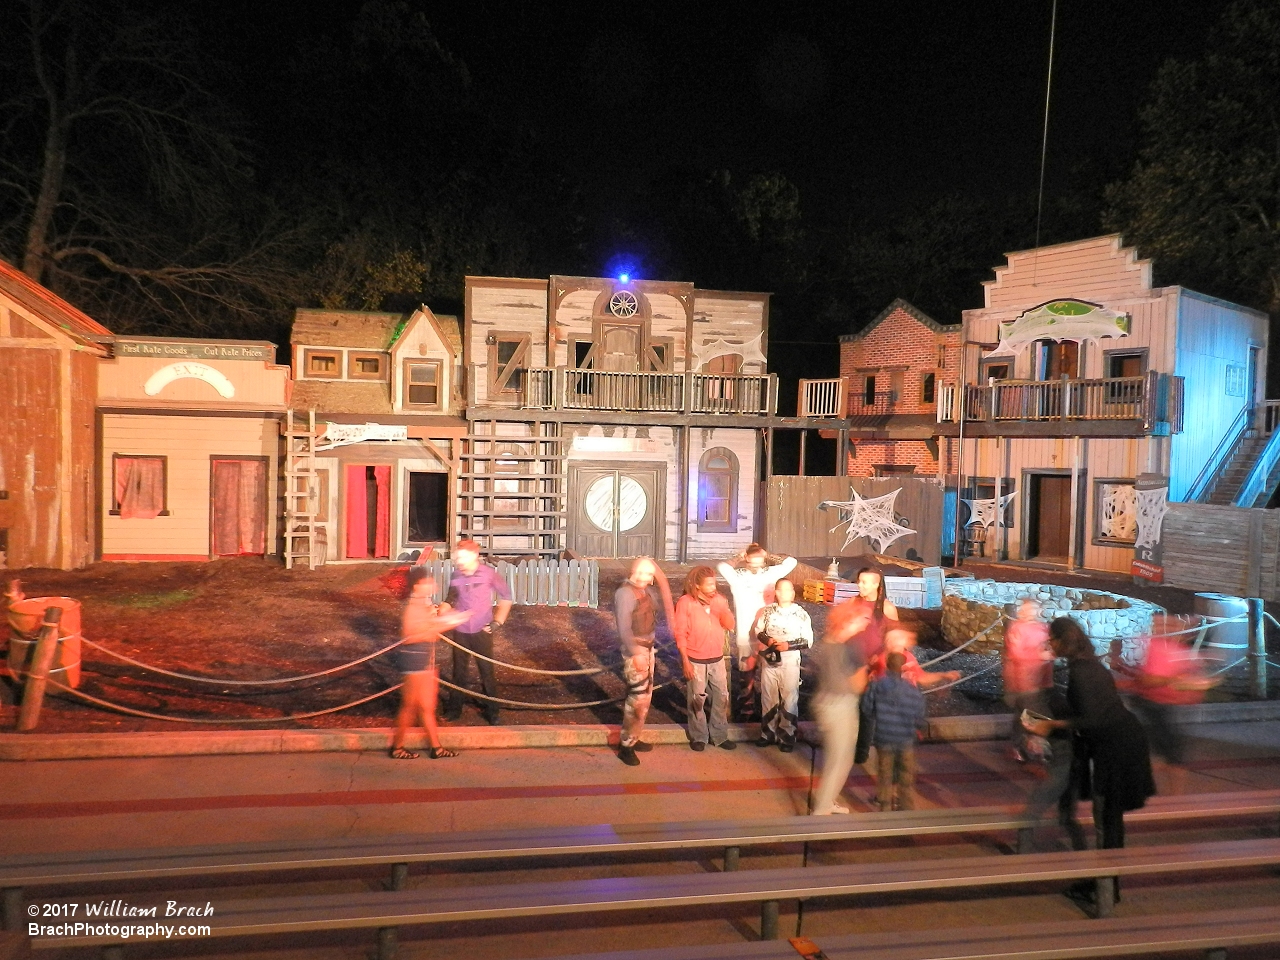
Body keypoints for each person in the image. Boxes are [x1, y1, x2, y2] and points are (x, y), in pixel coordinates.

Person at [1023, 617, 1156, 906]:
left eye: (1052, 639)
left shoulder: (1083, 672)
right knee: (1109, 819)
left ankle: (1106, 889)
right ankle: (1106, 884)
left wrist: (1052, 725)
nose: (1050, 644)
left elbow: (1093, 719)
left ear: (1062, 641)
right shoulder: (1089, 665)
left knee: (1106, 819)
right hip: (1119, 742)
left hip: (1117, 748)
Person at [1128, 614, 1215, 795]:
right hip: (1155, 706)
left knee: (1167, 755)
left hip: (1165, 708)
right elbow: (1149, 679)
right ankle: (1173, 798)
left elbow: (1150, 679)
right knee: (1171, 757)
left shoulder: (1175, 649)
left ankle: (1171, 797)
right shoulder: (1158, 646)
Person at [389, 568, 470, 760]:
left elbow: (428, 628)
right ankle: (397, 747)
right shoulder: (413, 606)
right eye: (429, 582)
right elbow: (412, 634)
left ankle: (436, 747)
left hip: (425, 659)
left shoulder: (423, 603)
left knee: (426, 706)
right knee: (409, 706)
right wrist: (449, 622)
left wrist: (443, 620)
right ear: (418, 586)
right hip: (415, 660)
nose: (433, 585)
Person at [809, 587, 875, 816]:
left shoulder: (832, 639)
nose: (867, 623)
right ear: (852, 618)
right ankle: (822, 809)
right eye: (864, 618)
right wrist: (866, 668)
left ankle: (827, 800)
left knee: (839, 758)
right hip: (840, 705)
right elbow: (858, 685)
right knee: (840, 760)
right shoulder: (851, 647)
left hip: (826, 703)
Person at [441, 539, 513, 725]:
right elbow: (451, 598)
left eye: (463, 557)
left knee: (486, 671)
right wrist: (440, 610)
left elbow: (506, 596)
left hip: (482, 630)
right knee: (459, 672)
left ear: (474, 555)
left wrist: (498, 621)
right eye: (458, 557)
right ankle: (454, 709)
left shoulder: (489, 574)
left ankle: (493, 710)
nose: (459, 561)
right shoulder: (456, 574)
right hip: (461, 630)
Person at [614, 557, 676, 766]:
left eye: (648, 574)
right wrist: (636, 654)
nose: (643, 577)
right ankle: (626, 746)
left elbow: (659, 603)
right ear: (632, 571)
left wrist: (659, 575)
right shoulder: (625, 593)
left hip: (648, 648)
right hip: (636, 650)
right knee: (637, 698)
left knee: (645, 697)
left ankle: (634, 736)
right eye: (640, 572)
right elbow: (624, 628)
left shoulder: (646, 591)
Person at [673, 566, 736, 752]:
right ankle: (699, 735)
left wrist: (723, 609)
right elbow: (680, 632)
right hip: (695, 659)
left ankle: (719, 735)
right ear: (697, 585)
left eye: (714, 583)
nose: (713, 587)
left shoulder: (719, 600)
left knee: (721, 697)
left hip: (716, 658)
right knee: (697, 700)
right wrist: (685, 660)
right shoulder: (686, 602)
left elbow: (730, 624)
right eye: (708, 584)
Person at [750, 578, 813, 752]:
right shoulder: (768, 611)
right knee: (768, 696)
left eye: (790, 590)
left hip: (790, 660)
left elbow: (808, 640)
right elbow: (759, 630)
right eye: (782, 590)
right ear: (776, 592)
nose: (786, 593)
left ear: (793, 593)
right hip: (770, 658)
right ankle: (767, 733)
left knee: (789, 697)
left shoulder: (800, 614)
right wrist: (768, 640)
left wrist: (788, 645)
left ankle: (787, 736)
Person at [862, 651, 927, 811]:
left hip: (884, 737)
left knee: (885, 774)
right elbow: (919, 715)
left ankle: (884, 805)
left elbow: (867, 709)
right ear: (903, 667)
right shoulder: (911, 690)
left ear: (887, 665)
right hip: (905, 739)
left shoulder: (876, 686)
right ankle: (906, 806)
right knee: (906, 775)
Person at [1003, 600, 1054, 762]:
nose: (1025, 612)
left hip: (1034, 680)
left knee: (1023, 715)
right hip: (1025, 681)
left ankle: (1020, 747)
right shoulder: (1017, 629)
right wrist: (1040, 656)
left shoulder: (1042, 627)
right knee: (1036, 715)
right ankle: (1035, 750)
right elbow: (1016, 654)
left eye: (1030, 609)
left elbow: (1048, 650)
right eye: (1025, 609)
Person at [866, 627, 961, 690]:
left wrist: (943, 675)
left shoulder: (909, 657)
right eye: (892, 639)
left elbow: (922, 677)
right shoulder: (880, 661)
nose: (894, 642)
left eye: (899, 638)